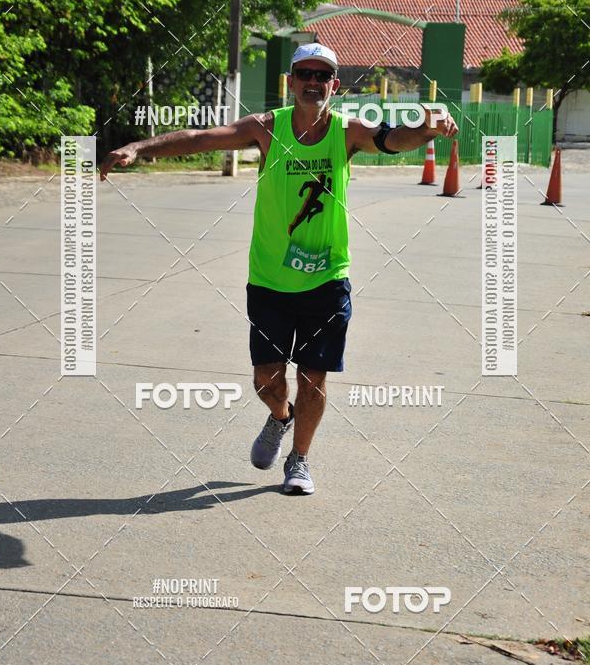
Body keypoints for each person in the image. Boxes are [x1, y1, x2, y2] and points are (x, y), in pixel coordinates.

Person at [101, 43, 458, 495]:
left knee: (313, 377)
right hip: (270, 280)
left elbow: (392, 139)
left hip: (327, 279)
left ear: (334, 85)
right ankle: (279, 416)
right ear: (291, 82)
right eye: (304, 73)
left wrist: (425, 130)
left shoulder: (346, 131)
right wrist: (139, 146)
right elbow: (202, 138)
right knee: (267, 381)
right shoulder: (266, 128)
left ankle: (299, 460)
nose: (313, 82)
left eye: (322, 75)